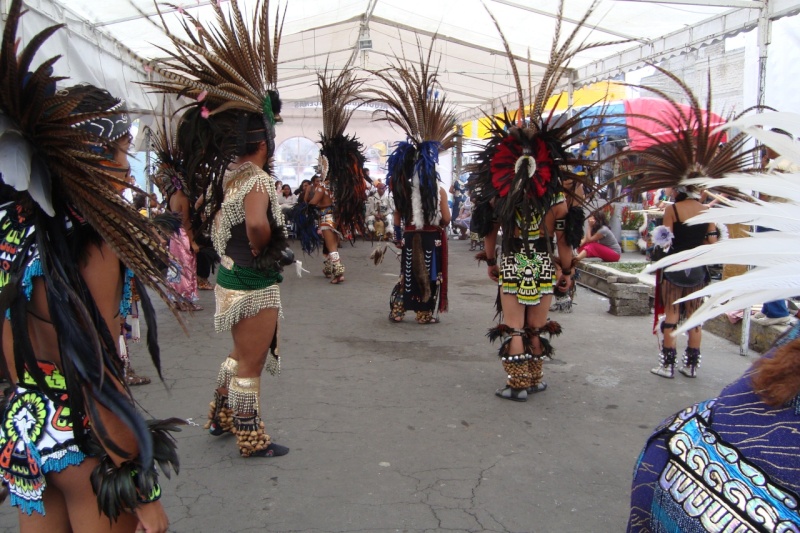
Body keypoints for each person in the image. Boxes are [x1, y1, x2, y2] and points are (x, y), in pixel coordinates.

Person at [0, 5, 181, 528]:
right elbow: (98, 375)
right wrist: (143, 490)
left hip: (25, 430)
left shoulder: (11, 225)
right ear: (82, 156)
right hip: (84, 441)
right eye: (118, 153)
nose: (128, 169)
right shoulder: (94, 240)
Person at [146, 0, 292, 458]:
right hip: (252, 281)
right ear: (265, 142)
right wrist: (269, 246)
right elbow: (254, 225)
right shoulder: (258, 180)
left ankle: (220, 416)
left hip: (231, 279)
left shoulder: (231, 177)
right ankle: (251, 436)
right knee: (250, 361)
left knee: (236, 354)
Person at [366, 40, 454, 325]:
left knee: (408, 271)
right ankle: (425, 312)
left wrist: (399, 234)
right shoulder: (438, 189)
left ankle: (398, 308)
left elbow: (398, 213)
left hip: (409, 235)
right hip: (429, 236)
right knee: (429, 272)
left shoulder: (403, 186)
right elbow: (447, 218)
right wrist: (438, 223)